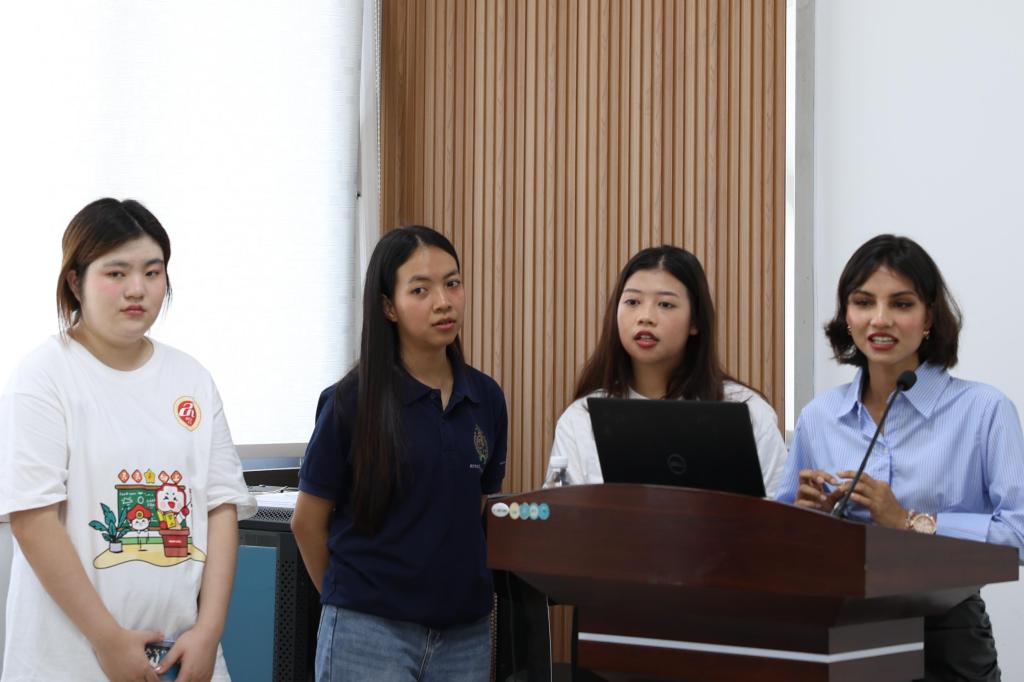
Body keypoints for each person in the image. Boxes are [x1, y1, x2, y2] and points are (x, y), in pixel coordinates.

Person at [0, 198, 256, 681]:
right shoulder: (43, 377)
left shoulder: (192, 379)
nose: (137, 289)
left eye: (152, 272)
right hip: (70, 660)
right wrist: (109, 640)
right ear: (75, 281)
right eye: (116, 273)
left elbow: (220, 507)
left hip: (184, 654)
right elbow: (32, 521)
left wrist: (208, 631)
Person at [777, 234, 1024, 681]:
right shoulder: (819, 416)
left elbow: (1019, 535)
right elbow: (777, 538)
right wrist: (809, 516)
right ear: (846, 315)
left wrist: (910, 521)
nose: (880, 319)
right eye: (863, 302)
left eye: (902, 304)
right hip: (841, 627)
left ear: (929, 316)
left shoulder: (985, 410)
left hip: (946, 632)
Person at [291, 226, 508, 681]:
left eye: (452, 283)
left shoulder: (485, 397)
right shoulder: (351, 401)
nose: (444, 302)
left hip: (465, 634)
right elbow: (307, 522)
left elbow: (477, 504)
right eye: (420, 290)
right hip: (368, 633)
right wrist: (350, 602)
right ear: (388, 306)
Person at [546, 245, 787, 497]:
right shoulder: (580, 419)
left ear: (695, 321)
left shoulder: (748, 412)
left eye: (665, 304)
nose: (645, 317)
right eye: (632, 302)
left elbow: (780, 513)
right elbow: (563, 516)